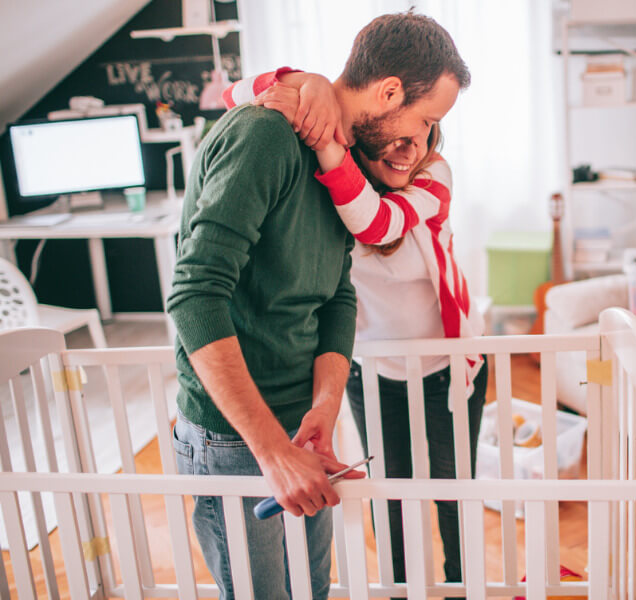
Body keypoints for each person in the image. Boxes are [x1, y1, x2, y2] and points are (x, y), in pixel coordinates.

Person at [167, 13, 470, 599]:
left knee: (312, 590)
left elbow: (337, 294)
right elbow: (194, 294)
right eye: (425, 118)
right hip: (235, 436)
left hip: (297, 426)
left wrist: (325, 406)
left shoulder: (344, 163)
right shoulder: (264, 136)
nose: (425, 139)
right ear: (388, 92)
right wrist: (271, 451)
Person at [224, 64, 486, 594]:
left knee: (454, 490)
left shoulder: (436, 179)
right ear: (364, 134)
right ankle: (399, 589)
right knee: (388, 496)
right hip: (373, 368)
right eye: (401, 135)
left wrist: (327, 144)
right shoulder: (335, 192)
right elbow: (233, 93)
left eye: (424, 135)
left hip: (449, 368)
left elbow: (379, 224)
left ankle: (463, 585)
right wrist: (307, 83)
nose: (409, 149)